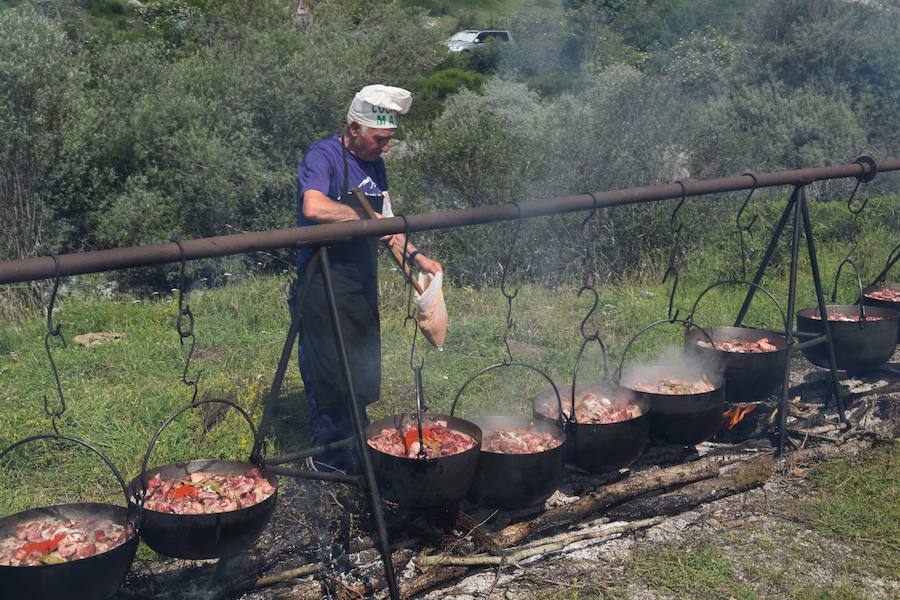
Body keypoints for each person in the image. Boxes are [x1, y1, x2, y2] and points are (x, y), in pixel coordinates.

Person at [294, 84, 442, 472]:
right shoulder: (323, 154)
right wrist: (365, 220)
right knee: (328, 372)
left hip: (359, 281)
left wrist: (418, 258)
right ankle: (328, 461)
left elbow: (388, 225)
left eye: (390, 140)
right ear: (355, 128)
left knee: (360, 367)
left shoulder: (375, 163)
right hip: (321, 281)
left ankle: (356, 446)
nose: (386, 147)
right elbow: (314, 206)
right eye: (380, 139)